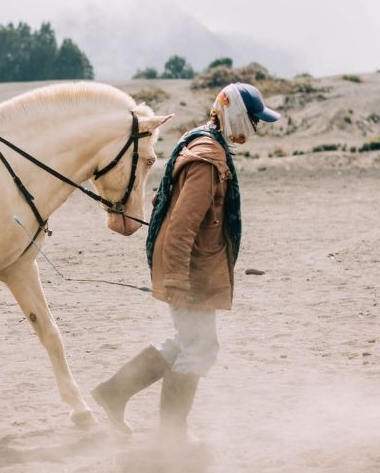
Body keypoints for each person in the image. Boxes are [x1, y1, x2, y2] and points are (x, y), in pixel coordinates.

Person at [90, 82, 280, 444]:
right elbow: (181, 225)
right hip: (190, 271)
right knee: (199, 347)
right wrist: (176, 279)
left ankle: (114, 393)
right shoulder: (208, 158)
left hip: (193, 268)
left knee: (187, 341)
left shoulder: (206, 145)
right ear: (236, 116)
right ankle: (172, 435)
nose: (255, 128)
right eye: (253, 120)